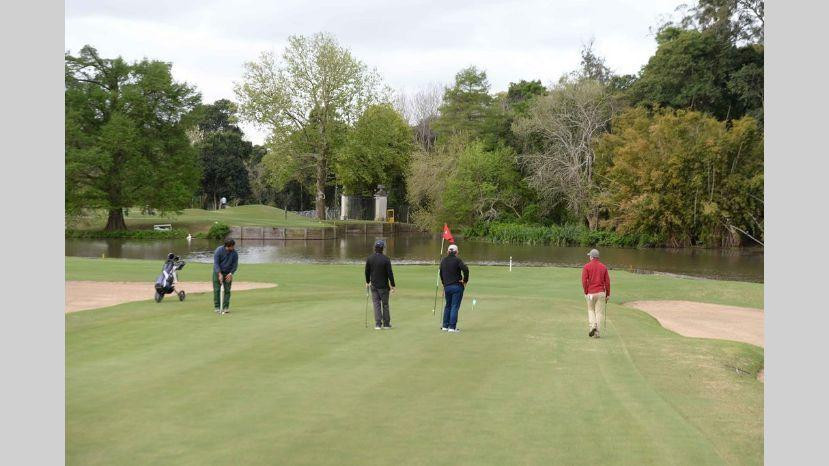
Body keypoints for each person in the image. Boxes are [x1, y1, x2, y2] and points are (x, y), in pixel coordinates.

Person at [365, 240, 396, 329]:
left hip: (374, 286)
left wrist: (367, 282)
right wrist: (393, 285)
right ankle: (386, 324)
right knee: (385, 305)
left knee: (376, 304)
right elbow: (390, 273)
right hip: (384, 287)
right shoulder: (386, 259)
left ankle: (378, 324)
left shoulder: (370, 258)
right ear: (382, 249)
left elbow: (367, 272)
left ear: (375, 248)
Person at [440, 244, 469, 333]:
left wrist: (444, 283)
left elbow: (441, 273)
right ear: (456, 252)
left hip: (447, 287)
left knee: (448, 305)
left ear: (448, 252)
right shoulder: (458, 260)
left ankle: (445, 326)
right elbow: (466, 269)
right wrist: (465, 280)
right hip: (457, 286)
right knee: (454, 306)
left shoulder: (443, 260)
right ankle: (452, 327)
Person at [582, 248, 610, 338]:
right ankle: (597, 332)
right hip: (601, 293)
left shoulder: (586, 266)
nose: (589, 257)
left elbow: (584, 281)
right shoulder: (604, 267)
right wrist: (608, 294)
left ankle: (593, 326)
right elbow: (607, 282)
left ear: (592, 257)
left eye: (589, 256)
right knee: (599, 313)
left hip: (590, 293)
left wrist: (586, 291)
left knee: (591, 310)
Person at [213, 238, 238, 315]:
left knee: (227, 290)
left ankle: (225, 307)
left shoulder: (234, 253)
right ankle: (217, 307)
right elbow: (216, 263)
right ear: (228, 246)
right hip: (218, 272)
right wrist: (219, 274)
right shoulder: (218, 251)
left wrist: (231, 273)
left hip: (228, 273)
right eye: (232, 246)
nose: (233, 248)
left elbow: (235, 265)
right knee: (217, 290)